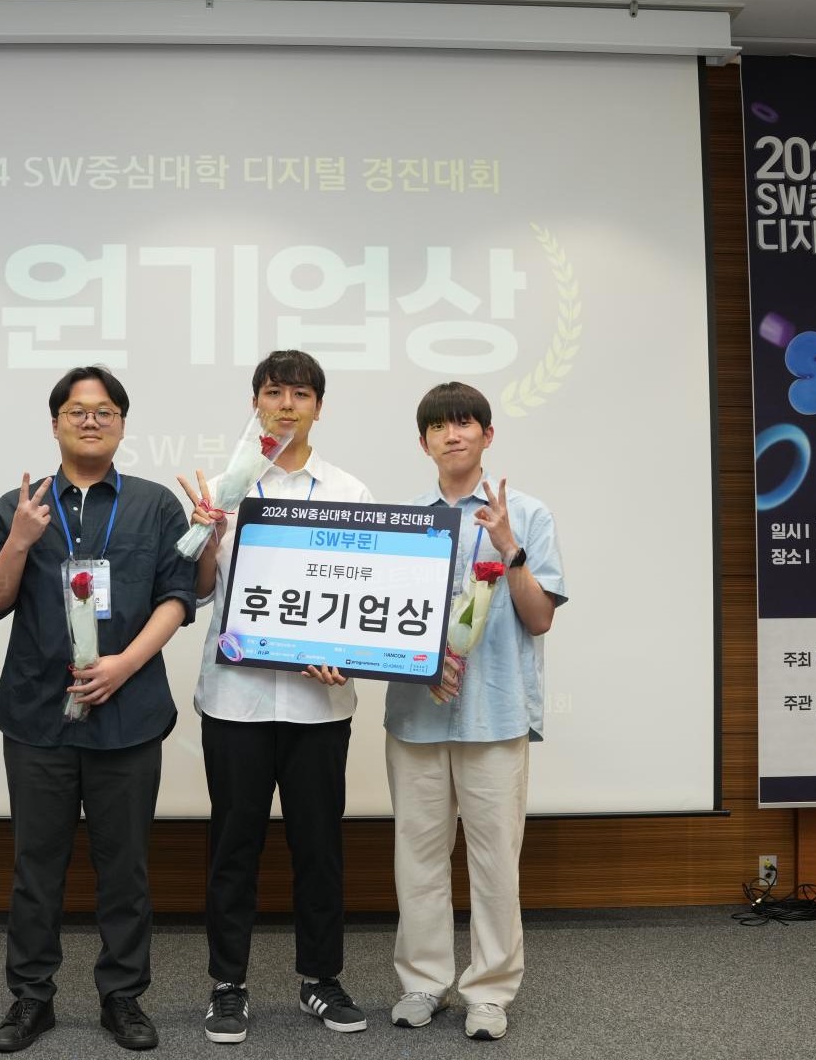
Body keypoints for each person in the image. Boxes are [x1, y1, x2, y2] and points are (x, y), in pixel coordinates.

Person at [0, 365, 195, 1053]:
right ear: (55, 422)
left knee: (125, 867)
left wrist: (124, 665)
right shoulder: (18, 505)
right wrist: (20, 539)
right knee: (36, 865)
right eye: (76, 410)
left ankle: (122, 996)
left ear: (122, 424)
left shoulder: (155, 505)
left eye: (104, 411)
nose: (90, 420)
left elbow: (178, 597)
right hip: (38, 714)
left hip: (130, 713)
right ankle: (31, 997)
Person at [177, 350, 373, 1044]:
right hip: (238, 699)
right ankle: (227, 985)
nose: (286, 405)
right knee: (234, 845)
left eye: (300, 394)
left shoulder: (349, 489)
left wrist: (348, 654)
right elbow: (199, 589)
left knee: (319, 845)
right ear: (255, 403)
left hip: (321, 704)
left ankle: (321, 978)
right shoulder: (226, 487)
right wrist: (210, 530)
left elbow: (365, 589)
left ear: (319, 406)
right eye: (273, 392)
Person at [381, 382, 567, 1042]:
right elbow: (382, 623)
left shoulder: (529, 514)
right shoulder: (403, 520)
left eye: (465, 424)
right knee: (418, 856)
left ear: (488, 436)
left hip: (495, 713)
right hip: (416, 716)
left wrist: (510, 546)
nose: (452, 435)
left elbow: (539, 617)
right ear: (424, 442)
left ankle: (489, 991)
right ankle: (423, 981)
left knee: (494, 862)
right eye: (439, 426)